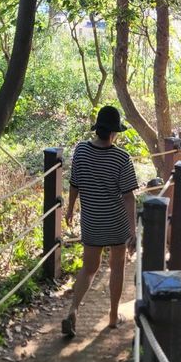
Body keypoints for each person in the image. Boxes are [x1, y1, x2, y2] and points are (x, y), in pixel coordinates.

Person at [62, 105, 139, 337]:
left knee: (88, 268)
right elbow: (129, 197)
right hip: (115, 222)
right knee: (117, 267)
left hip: (92, 219)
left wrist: (70, 210)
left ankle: (72, 309)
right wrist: (132, 230)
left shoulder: (81, 151)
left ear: (98, 129)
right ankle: (114, 316)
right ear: (114, 132)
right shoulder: (121, 158)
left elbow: (74, 184)